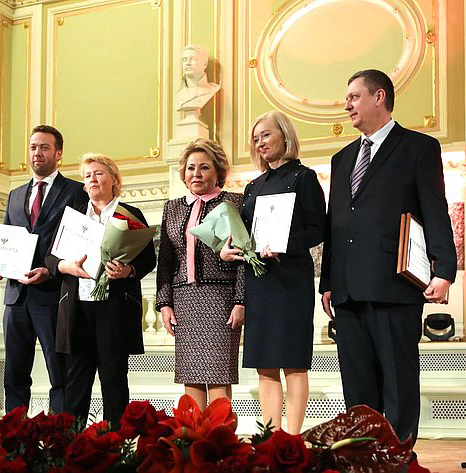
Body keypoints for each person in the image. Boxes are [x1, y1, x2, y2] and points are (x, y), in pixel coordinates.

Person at [319, 70, 456, 456]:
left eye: (353, 96)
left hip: (395, 285)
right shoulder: (342, 157)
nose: (347, 104)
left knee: (398, 378)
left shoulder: (417, 147)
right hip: (347, 288)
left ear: (379, 96)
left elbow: (435, 211)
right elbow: (336, 222)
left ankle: (397, 457)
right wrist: (328, 279)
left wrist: (444, 270)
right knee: (357, 382)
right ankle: (361, 454)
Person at [221, 111, 325, 434]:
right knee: (265, 364)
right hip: (260, 282)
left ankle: (292, 437)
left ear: (284, 135)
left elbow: (317, 230)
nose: (260, 143)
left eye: (265, 135)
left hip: (291, 280)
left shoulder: (305, 178)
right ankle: (272, 436)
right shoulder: (252, 187)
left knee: (293, 362)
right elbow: (244, 233)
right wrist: (228, 249)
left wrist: (284, 245)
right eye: (255, 139)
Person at [44, 153, 156, 428]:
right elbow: (50, 258)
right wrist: (64, 266)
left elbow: (147, 259)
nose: (92, 179)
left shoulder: (130, 214)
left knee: (114, 381)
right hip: (78, 307)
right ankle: (71, 447)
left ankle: (117, 448)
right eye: (87, 176)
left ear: (114, 180)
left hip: (113, 308)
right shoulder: (73, 216)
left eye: (98, 173)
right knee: (76, 384)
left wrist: (127, 272)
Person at [0, 125, 87, 413]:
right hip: (16, 297)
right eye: (33, 147)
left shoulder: (76, 192)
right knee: (14, 375)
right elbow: (6, 238)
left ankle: (62, 438)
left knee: (60, 374)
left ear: (58, 153)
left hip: (53, 295)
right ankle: (15, 440)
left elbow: (76, 240)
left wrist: (49, 270)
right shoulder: (15, 195)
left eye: (44, 147)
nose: (37, 153)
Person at [156, 138, 245, 411]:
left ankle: (220, 445)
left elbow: (244, 257)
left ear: (218, 171)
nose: (196, 173)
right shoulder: (172, 207)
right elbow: (166, 260)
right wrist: (164, 303)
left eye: (204, 167)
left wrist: (241, 301)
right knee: (190, 377)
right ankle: (193, 444)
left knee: (219, 375)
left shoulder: (234, 202)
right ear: (183, 174)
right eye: (191, 168)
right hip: (185, 299)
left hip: (221, 299)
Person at [175, 44, 220, 112]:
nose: (187, 63)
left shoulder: (213, 89)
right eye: (184, 59)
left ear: (205, 64)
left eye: (193, 59)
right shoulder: (178, 95)